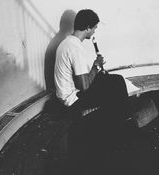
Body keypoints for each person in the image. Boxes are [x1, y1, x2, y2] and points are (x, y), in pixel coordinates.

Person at [54, 9, 132, 174]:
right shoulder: (76, 49)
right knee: (116, 89)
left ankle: (120, 118)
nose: (95, 31)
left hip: (67, 93)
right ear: (87, 27)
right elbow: (84, 86)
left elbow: (82, 79)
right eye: (94, 28)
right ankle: (119, 126)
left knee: (115, 80)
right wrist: (96, 67)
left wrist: (97, 72)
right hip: (73, 99)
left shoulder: (67, 42)